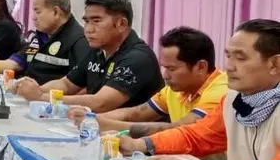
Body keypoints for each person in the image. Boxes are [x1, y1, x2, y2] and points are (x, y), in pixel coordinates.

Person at [120, 20, 280, 160]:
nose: (229, 66)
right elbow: (196, 136)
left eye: (240, 58)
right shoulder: (231, 101)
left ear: (275, 64)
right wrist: (140, 144)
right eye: (229, 56)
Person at [14, 0, 162, 113]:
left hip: (130, 134)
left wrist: (41, 97)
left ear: (121, 24)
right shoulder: (98, 50)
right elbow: (66, 84)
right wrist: (32, 89)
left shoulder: (138, 57)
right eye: (86, 21)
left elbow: (101, 103)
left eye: (96, 21)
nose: (88, 29)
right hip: (97, 126)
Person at [67, 26, 227, 137]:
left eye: (171, 69)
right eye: (164, 68)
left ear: (201, 67)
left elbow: (180, 131)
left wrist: (103, 124)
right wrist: (91, 118)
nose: (165, 75)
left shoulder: (219, 92)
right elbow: (136, 113)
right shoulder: (174, 89)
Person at [0, 0, 89, 83]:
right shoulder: (41, 36)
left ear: (56, 12)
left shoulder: (79, 40)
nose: (33, 17)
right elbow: (16, 63)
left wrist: (40, 91)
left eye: (38, 12)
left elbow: (81, 84)